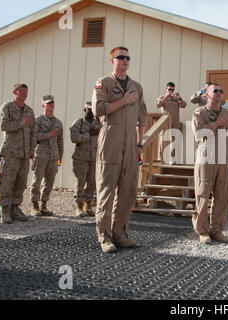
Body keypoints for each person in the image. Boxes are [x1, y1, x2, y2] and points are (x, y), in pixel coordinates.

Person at [92, 46, 147, 253]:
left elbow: (142, 118)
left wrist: (139, 144)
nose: (125, 60)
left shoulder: (136, 86)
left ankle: (120, 233)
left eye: (127, 57)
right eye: (120, 57)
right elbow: (99, 110)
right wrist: (123, 101)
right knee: (106, 189)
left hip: (131, 142)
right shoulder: (103, 83)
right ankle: (104, 237)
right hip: (111, 138)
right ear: (112, 61)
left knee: (128, 190)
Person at [192, 83, 228, 244]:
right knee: (203, 194)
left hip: (223, 158)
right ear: (207, 94)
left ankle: (217, 230)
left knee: (223, 196)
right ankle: (202, 231)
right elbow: (198, 133)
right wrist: (216, 124)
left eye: (221, 91)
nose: (219, 93)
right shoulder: (200, 112)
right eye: (215, 91)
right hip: (206, 158)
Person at [0, 83, 36, 223]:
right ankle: (5, 211)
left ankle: (15, 210)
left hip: (25, 153)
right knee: (8, 181)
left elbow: (33, 132)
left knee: (21, 183)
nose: (24, 94)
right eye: (21, 91)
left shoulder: (29, 111)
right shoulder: (7, 107)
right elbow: (4, 125)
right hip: (11, 152)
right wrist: (21, 122)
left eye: (26, 91)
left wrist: (32, 149)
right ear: (15, 92)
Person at [30, 95, 63, 216]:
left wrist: (60, 156)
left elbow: (60, 141)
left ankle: (43, 204)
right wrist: (49, 134)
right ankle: (34, 205)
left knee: (49, 181)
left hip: (53, 156)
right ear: (43, 105)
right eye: (48, 103)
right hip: (41, 154)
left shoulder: (58, 123)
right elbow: (35, 136)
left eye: (52, 103)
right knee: (37, 180)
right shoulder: (37, 120)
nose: (51, 105)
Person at [70, 102, 101, 217]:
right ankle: (79, 206)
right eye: (88, 109)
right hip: (80, 158)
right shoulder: (79, 123)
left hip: (94, 158)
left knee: (92, 182)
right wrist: (88, 135)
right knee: (80, 182)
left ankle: (88, 205)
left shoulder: (98, 123)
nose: (90, 112)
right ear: (84, 110)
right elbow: (74, 138)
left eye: (92, 109)